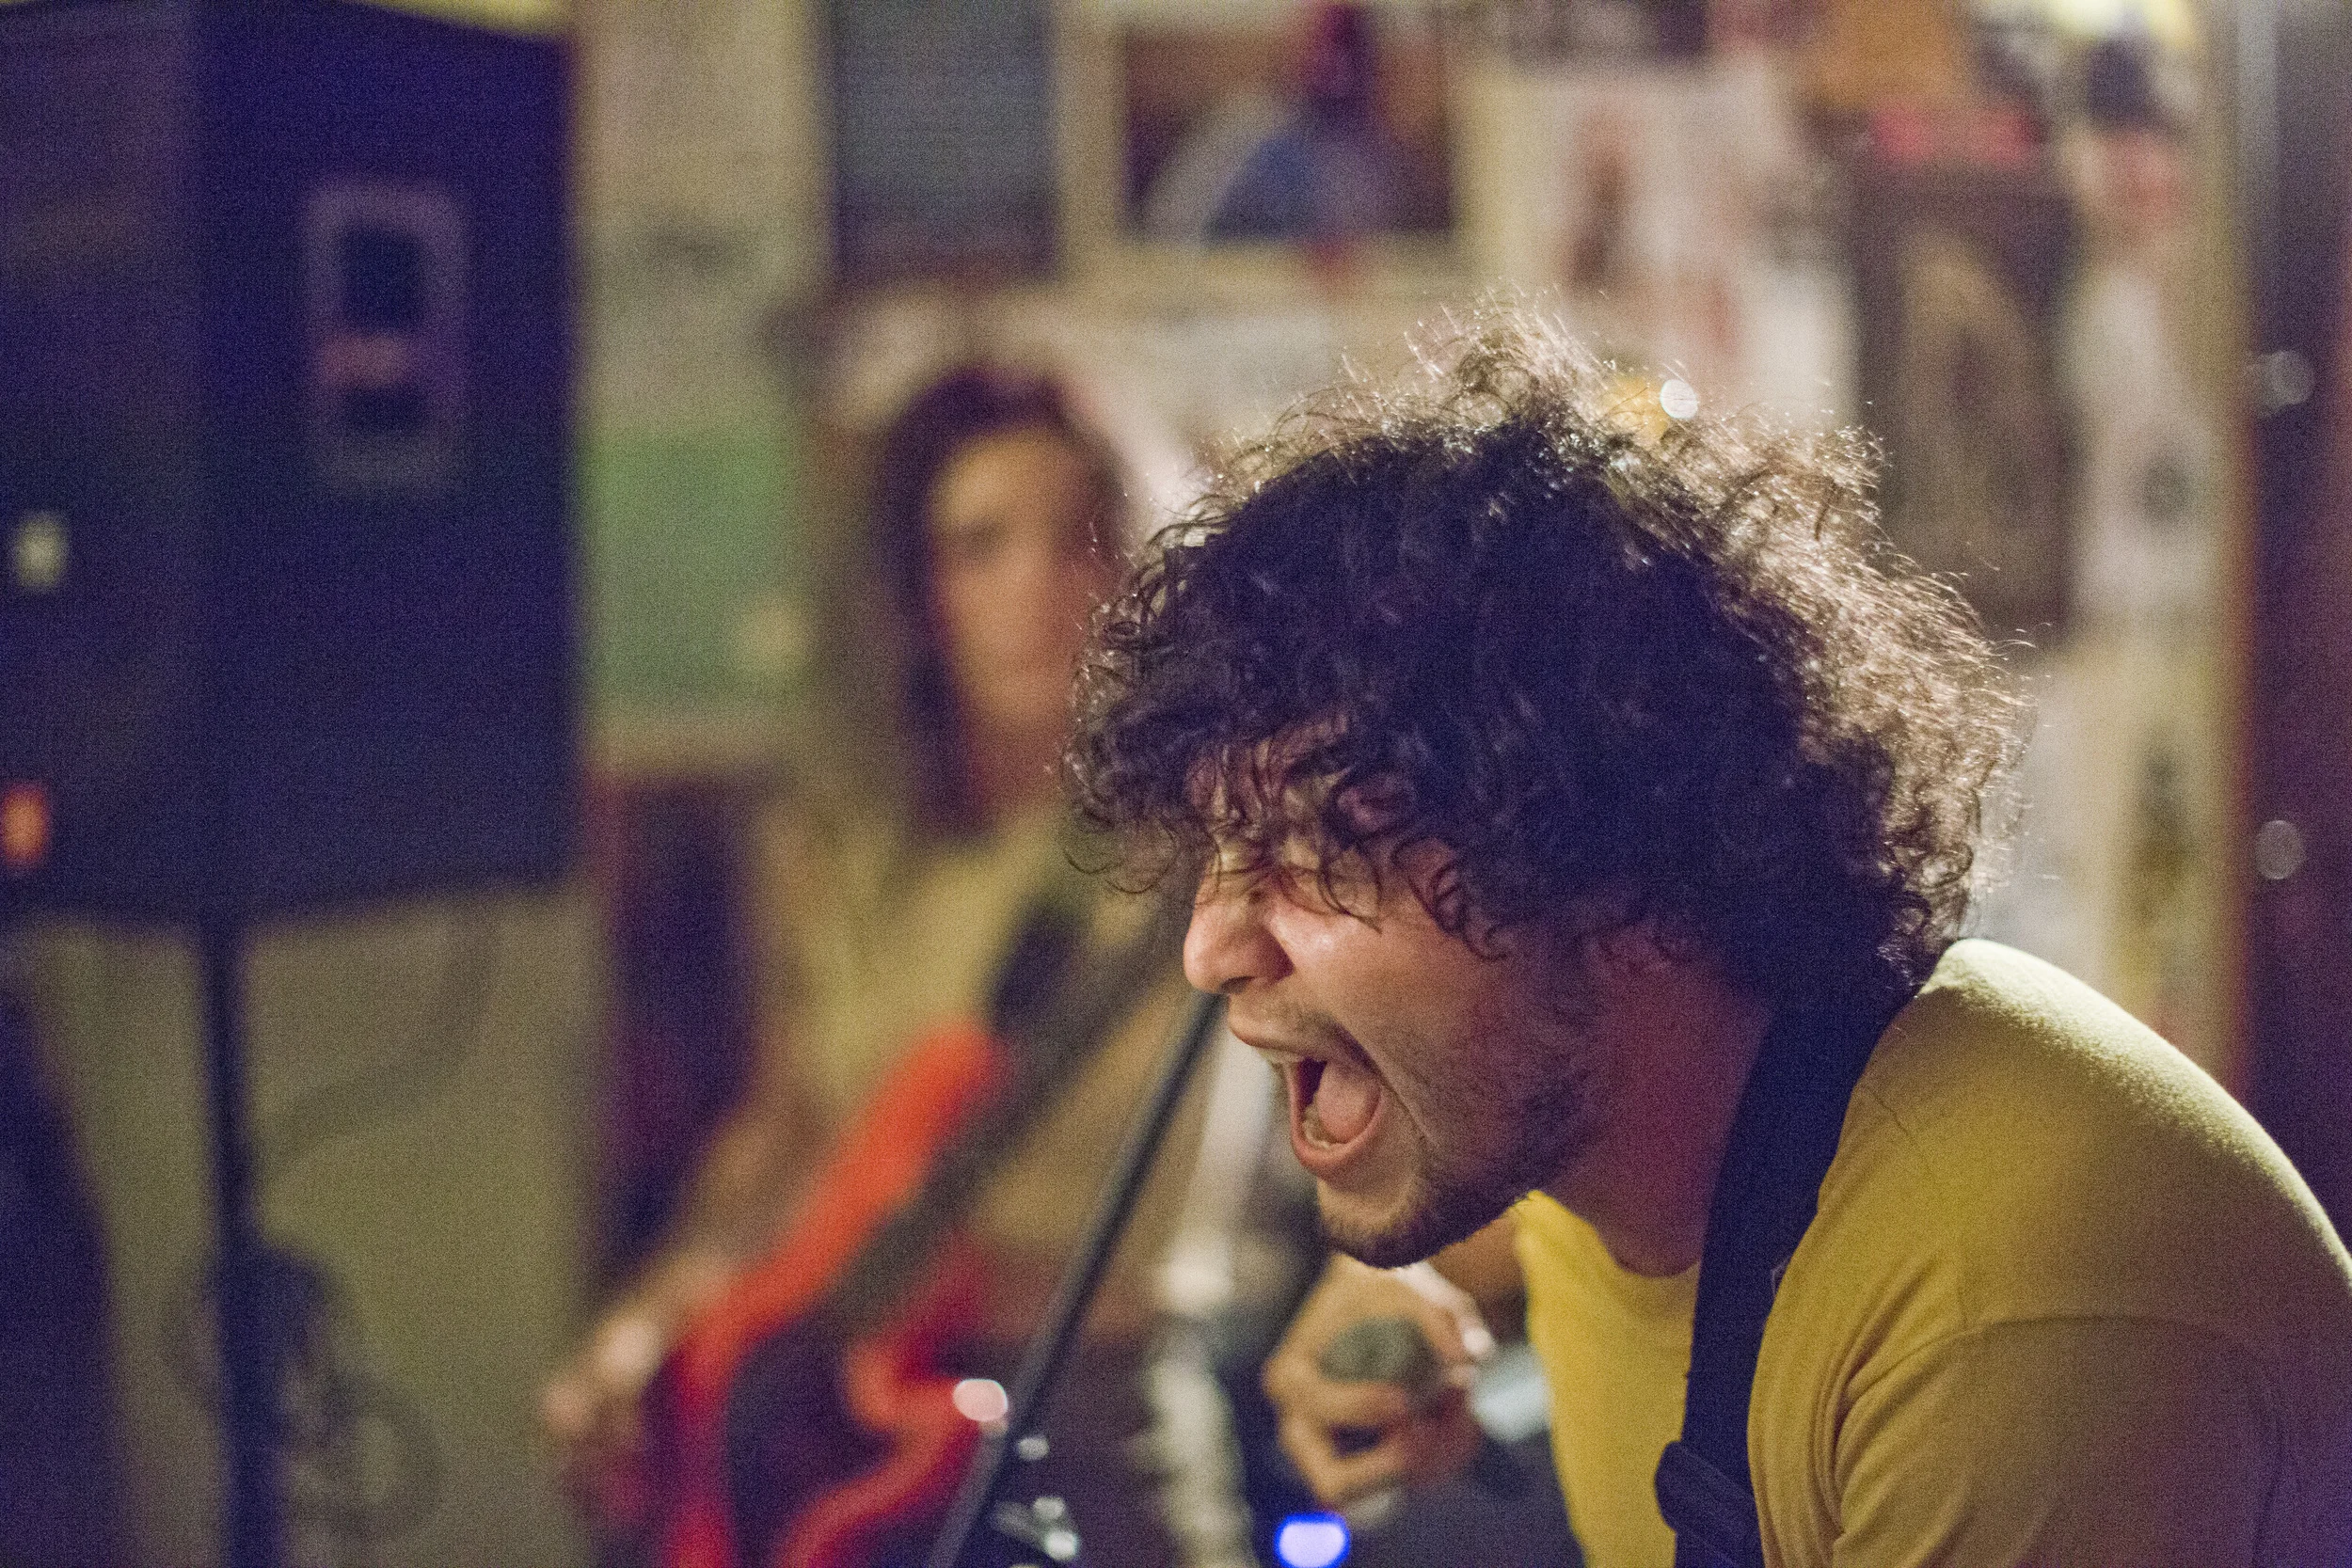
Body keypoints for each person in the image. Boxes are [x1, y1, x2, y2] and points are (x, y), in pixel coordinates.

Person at [1064, 309, 2352, 1567]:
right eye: (1220, 847)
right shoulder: (1606, 1137)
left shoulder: (2010, 1307)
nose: (1212, 945)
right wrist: (1437, 1289)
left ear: (1618, 868)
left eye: (1317, 849)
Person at [543, 365, 1216, 1567]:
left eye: (1082, 537)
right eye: (979, 545)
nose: (1038, 588)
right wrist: (650, 1317)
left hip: (1088, 1392)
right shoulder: (839, 847)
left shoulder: (1205, 835)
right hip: (837, 1389)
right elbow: (792, 1124)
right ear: (915, 593)